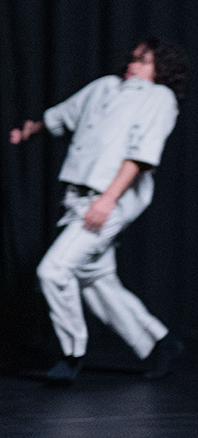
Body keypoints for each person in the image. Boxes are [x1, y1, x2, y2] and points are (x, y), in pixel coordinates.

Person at [10, 38, 188, 385]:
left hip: (108, 202)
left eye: (145, 61)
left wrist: (107, 200)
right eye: (134, 58)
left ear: (162, 70)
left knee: (53, 271)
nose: (133, 65)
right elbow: (62, 116)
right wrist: (31, 130)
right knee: (97, 282)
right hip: (76, 199)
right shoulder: (105, 87)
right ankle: (160, 341)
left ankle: (72, 352)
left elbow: (140, 155)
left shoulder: (159, 99)